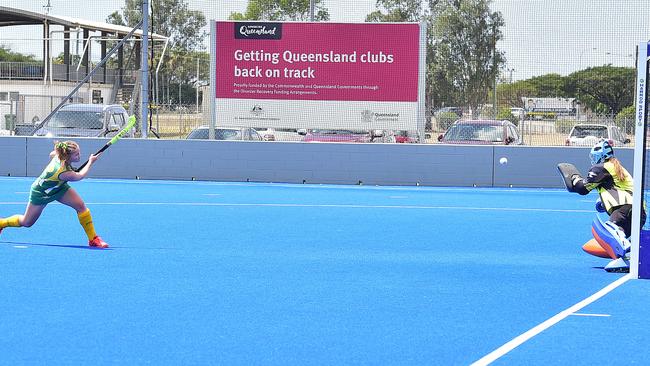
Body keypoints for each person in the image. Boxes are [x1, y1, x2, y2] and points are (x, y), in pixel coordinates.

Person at [0, 141, 109, 248]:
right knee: (27, 222)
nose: (79, 156)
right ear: (67, 157)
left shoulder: (59, 156)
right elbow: (79, 176)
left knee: (81, 206)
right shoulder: (63, 172)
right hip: (41, 193)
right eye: (76, 154)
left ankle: (93, 239)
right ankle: (2, 223)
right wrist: (90, 162)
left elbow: (52, 154)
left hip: (58, 188)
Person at [571, 139, 646, 270]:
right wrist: (602, 203)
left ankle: (627, 258)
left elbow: (582, 188)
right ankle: (632, 254)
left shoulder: (601, 168)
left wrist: (574, 178)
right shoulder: (617, 167)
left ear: (600, 155)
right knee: (619, 231)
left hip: (625, 208)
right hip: (638, 211)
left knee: (609, 228)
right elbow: (618, 188)